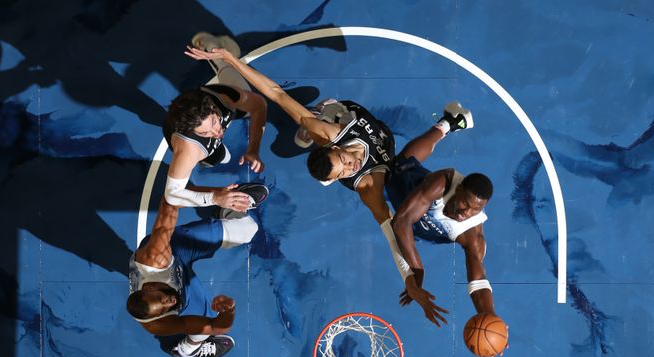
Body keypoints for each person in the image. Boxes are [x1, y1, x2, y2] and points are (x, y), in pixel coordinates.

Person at [183, 43, 477, 315]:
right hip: (383, 154)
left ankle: (320, 111)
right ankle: (448, 123)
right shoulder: (367, 186)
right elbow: (391, 235)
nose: (352, 165)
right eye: (345, 171)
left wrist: (230, 58)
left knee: (315, 122)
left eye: (345, 161)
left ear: (335, 148)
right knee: (402, 167)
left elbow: (276, 94)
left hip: (346, 118)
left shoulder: (330, 135)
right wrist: (411, 279)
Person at [126, 184, 267, 357]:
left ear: (149, 289)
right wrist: (228, 310)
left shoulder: (155, 257)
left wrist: (217, 195)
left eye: (160, 299)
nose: (168, 302)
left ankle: (229, 205)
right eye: (164, 308)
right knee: (203, 324)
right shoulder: (158, 323)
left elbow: (171, 200)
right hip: (181, 286)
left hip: (173, 252)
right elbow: (216, 327)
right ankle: (188, 349)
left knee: (248, 229)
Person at [387, 125, 503, 336]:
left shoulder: (472, 234)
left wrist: (491, 321)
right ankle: (447, 124)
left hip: (420, 224)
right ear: (458, 190)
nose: (466, 213)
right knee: (401, 162)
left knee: (414, 232)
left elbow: (477, 282)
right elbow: (400, 222)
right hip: (404, 186)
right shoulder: (441, 183)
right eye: (464, 204)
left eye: (474, 210)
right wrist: (417, 275)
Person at [163, 34, 268, 213]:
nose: (216, 132)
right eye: (205, 133)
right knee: (216, 157)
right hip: (191, 142)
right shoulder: (189, 149)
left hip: (219, 101)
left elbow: (259, 105)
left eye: (213, 122)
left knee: (245, 102)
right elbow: (172, 194)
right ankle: (209, 154)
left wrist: (253, 148)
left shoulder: (225, 97)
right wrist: (214, 198)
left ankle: (216, 53)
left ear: (212, 108)